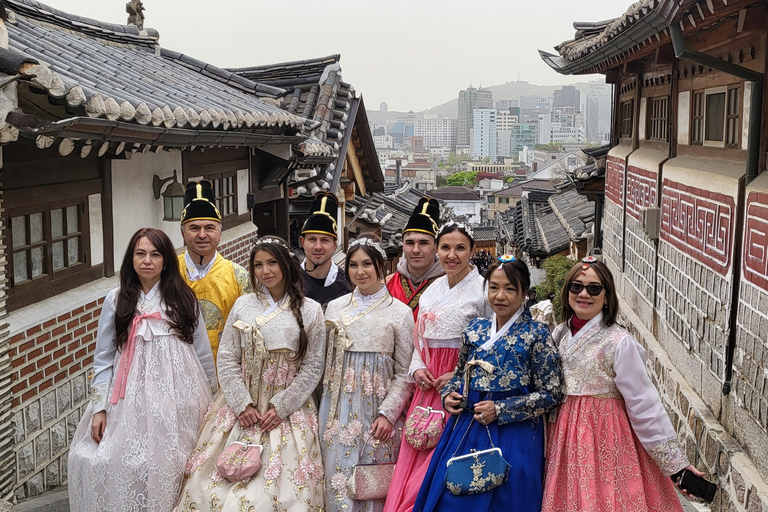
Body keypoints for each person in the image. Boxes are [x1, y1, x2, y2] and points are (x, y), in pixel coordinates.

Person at [68, 228, 217, 512]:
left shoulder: (183, 298)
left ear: (166, 261)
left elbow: (201, 353)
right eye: (140, 253)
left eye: (155, 254)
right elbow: (104, 357)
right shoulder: (117, 299)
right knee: (116, 461)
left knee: (176, 460)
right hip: (128, 397)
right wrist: (100, 407)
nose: (147, 261)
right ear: (131, 259)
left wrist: (213, 398)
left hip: (177, 393)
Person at [175, 236, 326, 512]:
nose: (265, 271)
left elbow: (313, 365)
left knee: (279, 494)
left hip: (286, 409)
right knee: (207, 489)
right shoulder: (243, 305)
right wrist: (242, 404)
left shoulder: (311, 310)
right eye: (258, 265)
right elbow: (228, 357)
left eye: (272, 263)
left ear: (286, 265)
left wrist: (282, 407)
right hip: (241, 406)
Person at [541, 256, 703, 512]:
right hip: (564, 434)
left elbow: (644, 404)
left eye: (594, 288)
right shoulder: (559, 334)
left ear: (607, 297)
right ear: (567, 291)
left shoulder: (619, 341)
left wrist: (676, 465)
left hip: (607, 437)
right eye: (576, 286)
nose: (584, 294)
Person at [414, 254, 562, 512]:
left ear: (525, 292)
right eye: (494, 287)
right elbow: (459, 375)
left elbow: (552, 393)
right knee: (454, 495)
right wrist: (449, 394)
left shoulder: (537, 334)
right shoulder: (474, 329)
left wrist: (502, 410)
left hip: (516, 431)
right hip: (468, 424)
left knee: (509, 496)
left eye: (510, 289)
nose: (500, 296)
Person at [384, 222, 488, 512]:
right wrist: (417, 368)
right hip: (428, 383)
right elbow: (420, 339)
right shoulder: (433, 289)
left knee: (443, 457)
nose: (451, 255)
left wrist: (458, 374)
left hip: (460, 383)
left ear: (472, 251)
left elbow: (492, 343)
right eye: (445, 247)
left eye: (460, 248)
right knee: (418, 444)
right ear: (437, 250)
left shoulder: (483, 291)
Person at [320, 234, 415, 512]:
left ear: (380, 267)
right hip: (337, 407)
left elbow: (404, 371)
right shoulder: (335, 308)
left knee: (373, 485)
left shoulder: (399, 312)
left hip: (378, 411)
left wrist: (388, 413)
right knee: (336, 480)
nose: (360, 272)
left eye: (367, 265)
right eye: (353, 265)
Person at [178, 180, 251, 363]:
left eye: (209, 227)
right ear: (182, 233)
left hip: (225, 368)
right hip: (178, 365)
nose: (202, 235)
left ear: (220, 232)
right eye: (194, 228)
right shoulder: (167, 271)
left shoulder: (239, 276)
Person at [387, 198, 445, 319]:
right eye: (410, 243)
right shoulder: (386, 284)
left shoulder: (450, 284)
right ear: (402, 246)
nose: (415, 250)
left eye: (423, 243)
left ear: (436, 247)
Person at [300, 191, 352, 310]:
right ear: (302, 242)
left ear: (334, 245)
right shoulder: (289, 281)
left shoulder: (348, 284)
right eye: (312, 239)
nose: (318, 246)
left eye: (324, 240)